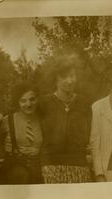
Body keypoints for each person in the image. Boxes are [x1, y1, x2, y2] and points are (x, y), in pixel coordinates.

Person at [39, 55, 91, 183]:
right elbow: (24, 112)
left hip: (79, 165)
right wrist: (3, 115)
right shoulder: (44, 103)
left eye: (72, 76)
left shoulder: (83, 102)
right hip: (51, 166)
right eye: (64, 77)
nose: (70, 81)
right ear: (55, 79)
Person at [0, 81, 43, 184]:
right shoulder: (7, 120)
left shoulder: (42, 120)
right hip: (12, 173)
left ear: (38, 99)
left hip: (36, 173)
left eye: (32, 99)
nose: (28, 104)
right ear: (18, 102)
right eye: (23, 101)